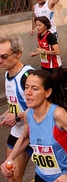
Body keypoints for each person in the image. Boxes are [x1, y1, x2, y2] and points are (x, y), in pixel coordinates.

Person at [0, 69, 67, 182]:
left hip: (63, 177)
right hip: (41, 176)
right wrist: (10, 158)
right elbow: (25, 137)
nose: (28, 93)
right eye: (26, 87)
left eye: (34, 89)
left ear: (47, 92)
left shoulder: (58, 114)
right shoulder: (28, 114)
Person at [0, 36, 34, 182]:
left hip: (37, 134)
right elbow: (14, 105)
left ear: (18, 54)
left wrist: (16, 117)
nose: (0, 60)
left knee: (53, 177)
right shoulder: (7, 75)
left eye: (4, 56)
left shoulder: (28, 76)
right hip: (18, 134)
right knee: (12, 178)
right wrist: (5, 116)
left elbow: (42, 110)